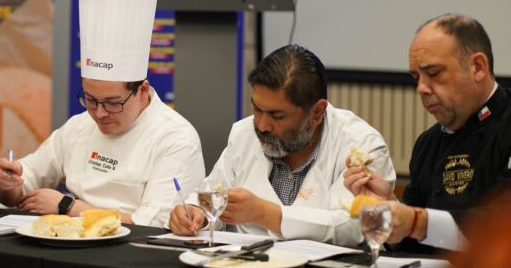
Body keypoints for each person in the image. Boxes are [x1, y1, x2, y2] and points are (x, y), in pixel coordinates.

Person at [0, 0, 205, 227]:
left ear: (143, 90)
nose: (99, 113)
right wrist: (5, 182)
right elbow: (20, 186)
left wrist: (69, 207)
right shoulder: (80, 126)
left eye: (113, 103)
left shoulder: (175, 138)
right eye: (91, 99)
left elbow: (155, 224)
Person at [169, 45, 396, 246]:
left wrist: (265, 214)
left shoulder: (361, 145)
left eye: (277, 116)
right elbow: (212, 193)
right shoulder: (244, 133)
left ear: (317, 113)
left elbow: (356, 226)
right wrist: (195, 212)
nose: (262, 125)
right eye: (257, 109)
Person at [345, 14, 511, 251]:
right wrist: (387, 206)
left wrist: (417, 221)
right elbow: (410, 244)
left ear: (478, 67)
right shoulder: (427, 144)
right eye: (416, 77)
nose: (421, 88)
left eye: (434, 73)